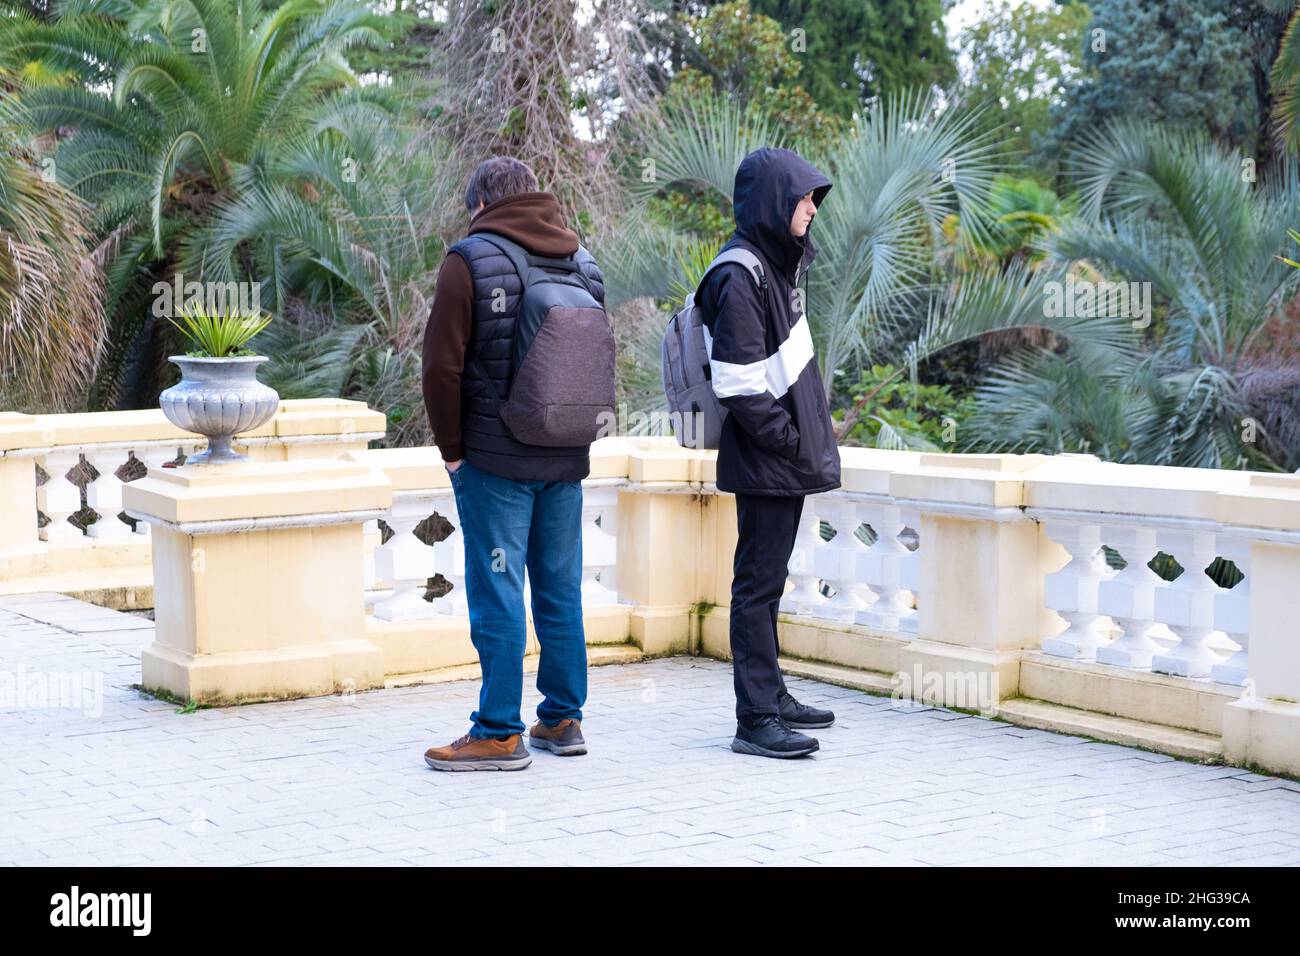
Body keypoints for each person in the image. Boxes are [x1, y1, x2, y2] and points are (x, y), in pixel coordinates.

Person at [420, 156, 601, 771]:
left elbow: (441, 369)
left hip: (495, 463)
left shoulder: (467, 260)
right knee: (559, 588)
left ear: (480, 205)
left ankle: (498, 731)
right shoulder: (584, 263)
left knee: (498, 590)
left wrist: (453, 452)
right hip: (564, 457)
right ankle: (562, 719)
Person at [695, 146, 842, 759]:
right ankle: (754, 717)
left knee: (769, 583)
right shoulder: (740, 275)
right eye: (804, 196)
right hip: (766, 461)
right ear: (776, 200)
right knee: (755, 586)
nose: (811, 208)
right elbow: (737, 385)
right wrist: (788, 443)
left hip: (780, 459)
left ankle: (772, 694)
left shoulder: (774, 268)